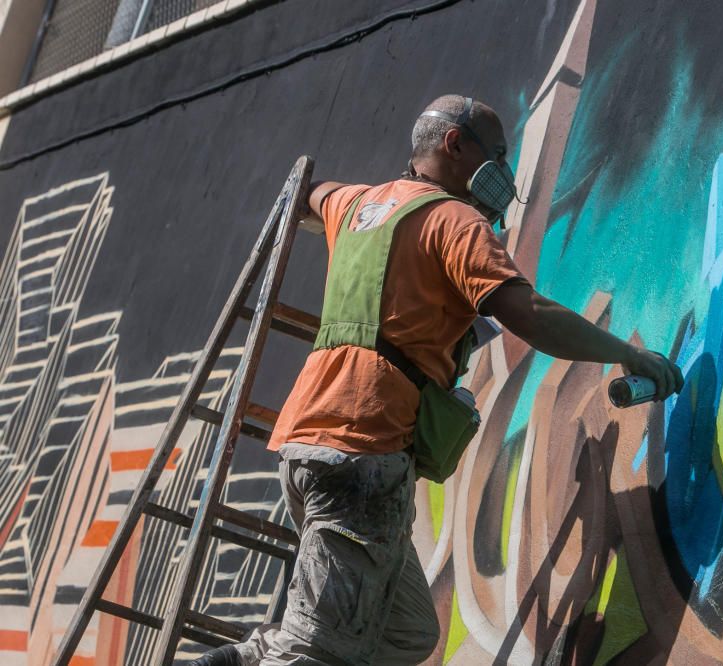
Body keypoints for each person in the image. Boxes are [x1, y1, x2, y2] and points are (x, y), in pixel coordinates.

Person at [194, 95, 682, 666]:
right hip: (363, 453)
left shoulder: (358, 204)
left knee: (404, 634)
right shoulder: (455, 221)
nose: (503, 170)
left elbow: (310, 192)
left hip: (309, 443)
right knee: (315, 654)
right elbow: (527, 315)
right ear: (455, 145)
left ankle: (247, 659)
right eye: (497, 154)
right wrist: (626, 353)